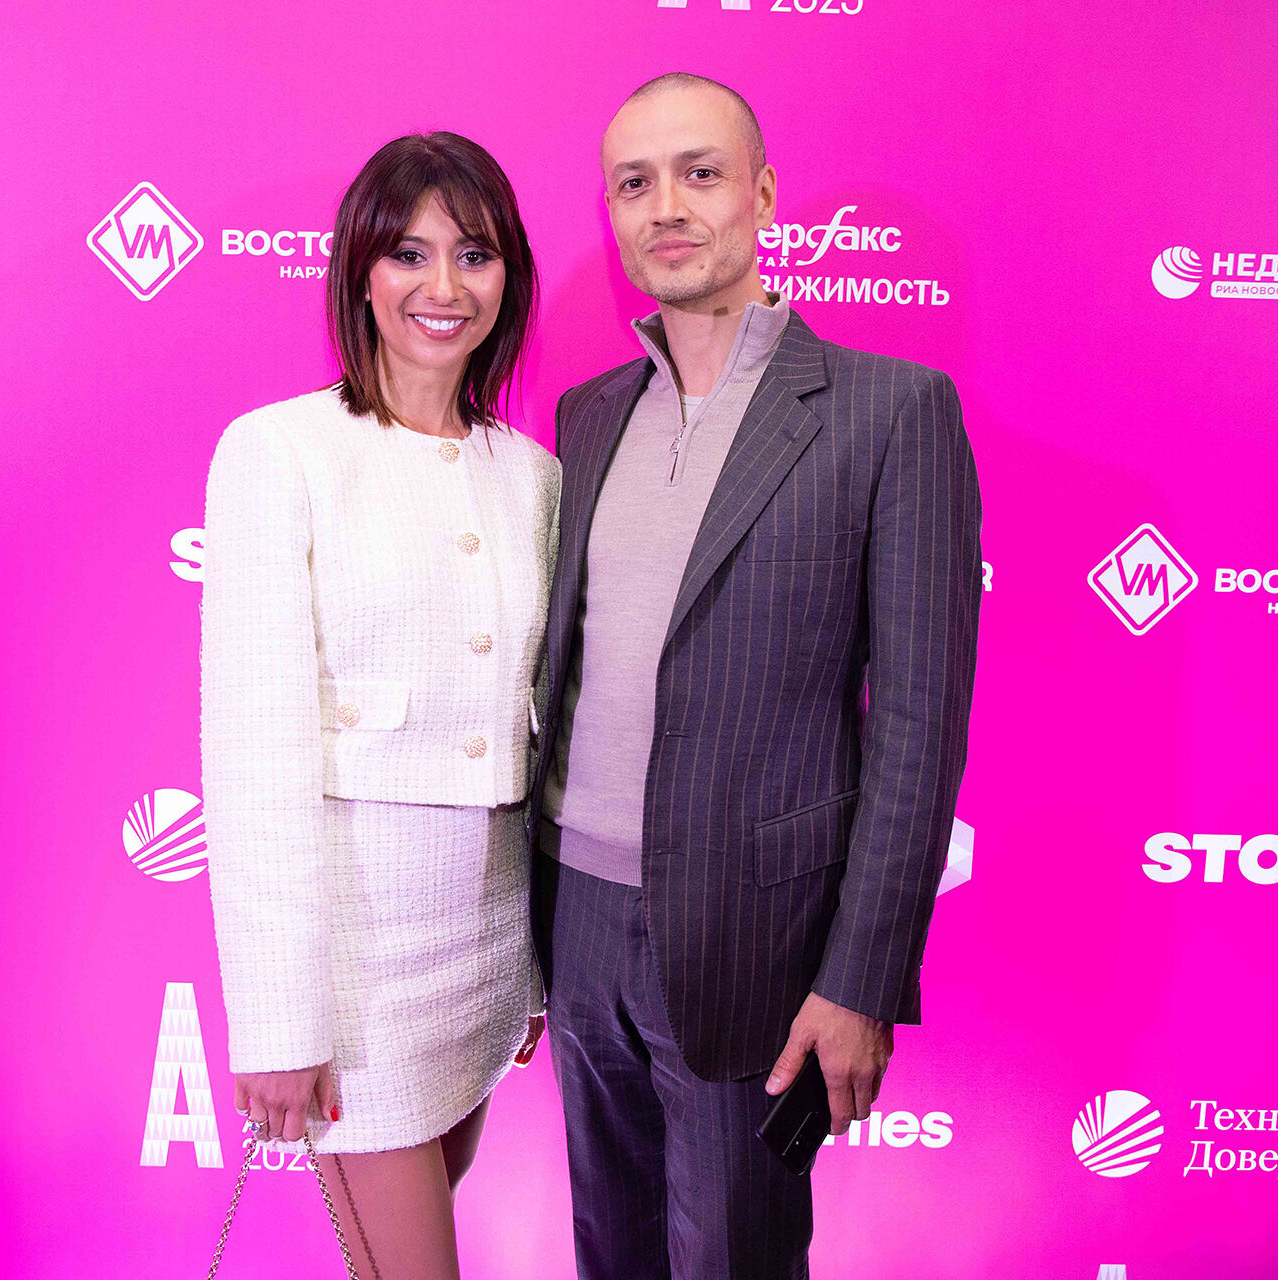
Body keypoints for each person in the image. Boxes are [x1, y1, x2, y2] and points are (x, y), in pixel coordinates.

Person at [530, 73, 983, 1279]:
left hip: (758, 934)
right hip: (576, 920)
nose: (666, 208)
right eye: (635, 183)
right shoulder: (586, 416)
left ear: (765, 194)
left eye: (700, 172)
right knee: (610, 1251)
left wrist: (861, 978)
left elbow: (921, 725)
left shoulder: (892, 412)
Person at [199, 131, 556, 1279]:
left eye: (474, 254)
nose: (443, 286)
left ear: (508, 278)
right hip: (357, 969)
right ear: (360, 271)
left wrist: (536, 969)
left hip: (487, 951)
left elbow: (533, 730)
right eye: (409, 253)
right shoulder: (280, 451)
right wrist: (278, 1019)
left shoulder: (534, 473)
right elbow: (254, 753)